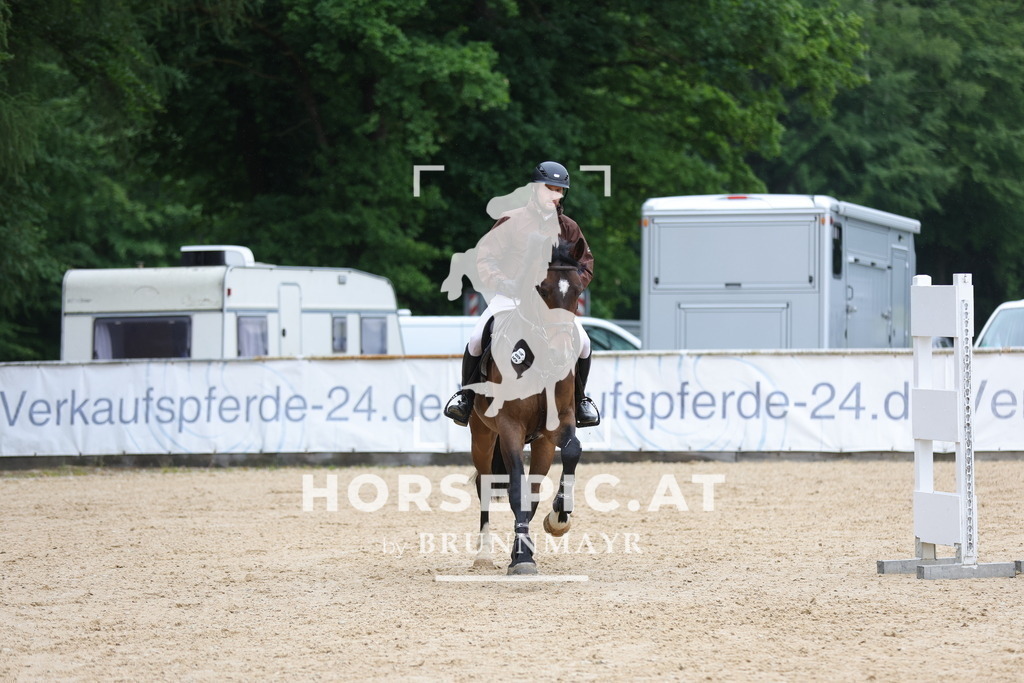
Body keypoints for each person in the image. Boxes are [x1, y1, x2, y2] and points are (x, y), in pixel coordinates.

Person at [442, 160, 601, 428]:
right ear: (535, 190)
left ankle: (581, 399)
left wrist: (571, 286)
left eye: (559, 190)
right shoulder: (512, 220)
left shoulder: (569, 227)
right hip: (512, 296)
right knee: (476, 338)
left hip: (553, 303)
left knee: (583, 343)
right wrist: (503, 282)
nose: (554, 195)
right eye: (548, 189)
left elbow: (585, 263)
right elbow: (486, 258)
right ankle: (465, 398)